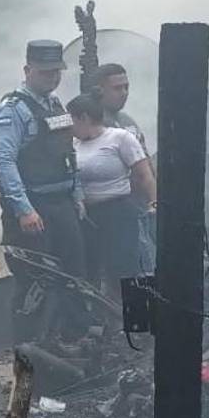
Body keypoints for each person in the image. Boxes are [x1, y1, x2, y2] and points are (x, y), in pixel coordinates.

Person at [0, 39, 89, 344]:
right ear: (28, 70)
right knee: (36, 282)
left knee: (73, 275)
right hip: (34, 208)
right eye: (46, 72)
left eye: (56, 71)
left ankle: (72, 341)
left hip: (62, 204)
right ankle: (29, 349)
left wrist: (77, 195)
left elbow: (67, 154)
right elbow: (5, 162)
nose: (52, 78)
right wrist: (24, 209)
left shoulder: (56, 105)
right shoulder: (13, 111)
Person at [68, 94, 156, 291]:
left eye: (71, 120)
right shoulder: (74, 145)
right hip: (88, 216)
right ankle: (106, 317)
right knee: (93, 269)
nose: (69, 126)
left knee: (123, 268)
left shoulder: (120, 138)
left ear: (83, 118)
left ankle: (132, 314)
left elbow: (144, 173)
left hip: (118, 211)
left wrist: (153, 203)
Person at [93, 63, 146, 150]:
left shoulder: (128, 121)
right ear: (99, 90)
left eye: (126, 87)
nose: (124, 93)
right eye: (117, 88)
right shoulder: (90, 124)